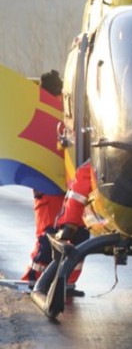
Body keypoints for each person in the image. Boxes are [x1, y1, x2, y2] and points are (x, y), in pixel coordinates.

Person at [21, 70, 85, 297]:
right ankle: (59, 280)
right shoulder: (72, 112)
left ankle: (36, 279)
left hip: (51, 184)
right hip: (68, 184)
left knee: (48, 235)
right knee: (72, 235)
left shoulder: (41, 112)